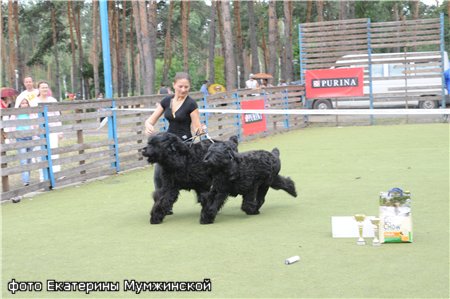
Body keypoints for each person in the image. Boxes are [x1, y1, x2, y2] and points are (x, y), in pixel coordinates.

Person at [144, 72, 206, 213]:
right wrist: (148, 125)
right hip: (166, 146)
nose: (183, 90)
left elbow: (196, 127)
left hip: (184, 146)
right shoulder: (166, 101)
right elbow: (150, 120)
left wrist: (200, 131)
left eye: (186, 87)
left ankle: (206, 202)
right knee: (158, 176)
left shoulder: (191, 103)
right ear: (174, 85)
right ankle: (163, 206)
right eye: (180, 86)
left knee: (194, 178)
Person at [36, 81, 63, 181]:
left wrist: (59, 131)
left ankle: (56, 174)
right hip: (39, 132)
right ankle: (43, 177)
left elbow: (57, 116)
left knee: (54, 151)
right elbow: (32, 116)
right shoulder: (35, 101)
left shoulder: (52, 100)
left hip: (52, 130)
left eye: (46, 87)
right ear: (38, 89)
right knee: (41, 154)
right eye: (42, 87)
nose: (44, 89)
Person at [15, 98, 37, 188]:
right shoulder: (16, 114)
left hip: (30, 137)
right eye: (22, 103)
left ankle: (27, 179)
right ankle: (26, 181)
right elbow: (11, 126)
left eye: (26, 103)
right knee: (23, 160)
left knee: (29, 160)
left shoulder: (31, 114)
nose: (24, 105)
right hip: (20, 138)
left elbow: (35, 124)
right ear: (19, 104)